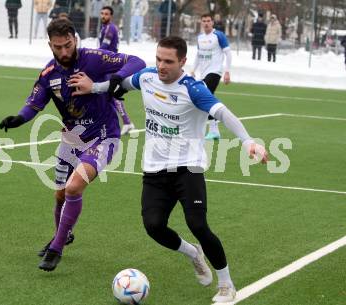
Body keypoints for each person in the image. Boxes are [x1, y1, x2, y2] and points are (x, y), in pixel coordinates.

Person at [69, 36, 268, 303]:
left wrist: (248, 142)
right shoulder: (148, 77)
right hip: (155, 168)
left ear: (183, 62)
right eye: (159, 59)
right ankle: (192, 253)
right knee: (153, 226)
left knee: (197, 223)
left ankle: (226, 284)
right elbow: (120, 85)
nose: (161, 66)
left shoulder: (194, 89)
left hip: (188, 167)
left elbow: (224, 114)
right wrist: (94, 87)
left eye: (168, 61)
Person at [0, 18, 145, 271]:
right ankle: (62, 235)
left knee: (73, 189)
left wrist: (113, 81)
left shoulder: (94, 58)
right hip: (71, 138)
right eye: (58, 47)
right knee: (59, 194)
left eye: (68, 45)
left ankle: (56, 248)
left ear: (75, 40)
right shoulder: (48, 74)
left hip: (104, 136)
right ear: (50, 46)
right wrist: (20, 118)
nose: (64, 52)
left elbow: (137, 62)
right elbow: (35, 103)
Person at [191, 13, 231, 141]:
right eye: (204, 21)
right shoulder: (200, 37)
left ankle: (211, 130)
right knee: (206, 99)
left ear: (212, 22)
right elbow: (199, 55)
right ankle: (214, 131)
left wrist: (227, 71)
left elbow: (228, 53)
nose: (206, 23)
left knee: (204, 97)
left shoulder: (218, 35)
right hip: (203, 73)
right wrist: (193, 70)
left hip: (215, 72)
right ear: (201, 23)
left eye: (208, 21)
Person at [99, 6, 135, 135]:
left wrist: (92, 55)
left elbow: (104, 47)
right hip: (106, 64)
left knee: (111, 94)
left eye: (106, 14)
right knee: (105, 94)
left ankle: (126, 122)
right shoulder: (105, 27)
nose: (103, 16)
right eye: (102, 13)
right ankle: (117, 123)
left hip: (110, 64)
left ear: (111, 16)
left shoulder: (110, 28)